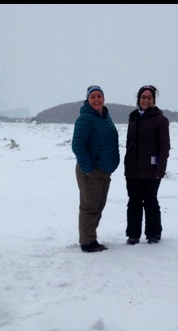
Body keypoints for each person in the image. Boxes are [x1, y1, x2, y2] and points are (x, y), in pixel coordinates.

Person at [71, 85, 120, 253]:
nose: (97, 99)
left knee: (98, 206)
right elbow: (78, 145)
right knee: (89, 207)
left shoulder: (105, 117)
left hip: (104, 171)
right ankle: (87, 243)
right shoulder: (85, 119)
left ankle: (91, 238)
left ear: (104, 99)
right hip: (91, 171)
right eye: (93, 97)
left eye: (99, 96)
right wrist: (88, 169)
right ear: (88, 100)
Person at [123, 84, 171, 245]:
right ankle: (133, 234)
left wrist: (160, 168)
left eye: (149, 97)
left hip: (151, 170)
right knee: (134, 202)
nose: (146, 100)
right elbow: (129, 143)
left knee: (150, 201)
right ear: (138, 99)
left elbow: (164, 147)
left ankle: (153, 234)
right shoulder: (133, 118)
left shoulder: (160, 120)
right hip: (132, 169)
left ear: (154, 100)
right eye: (143, 97)